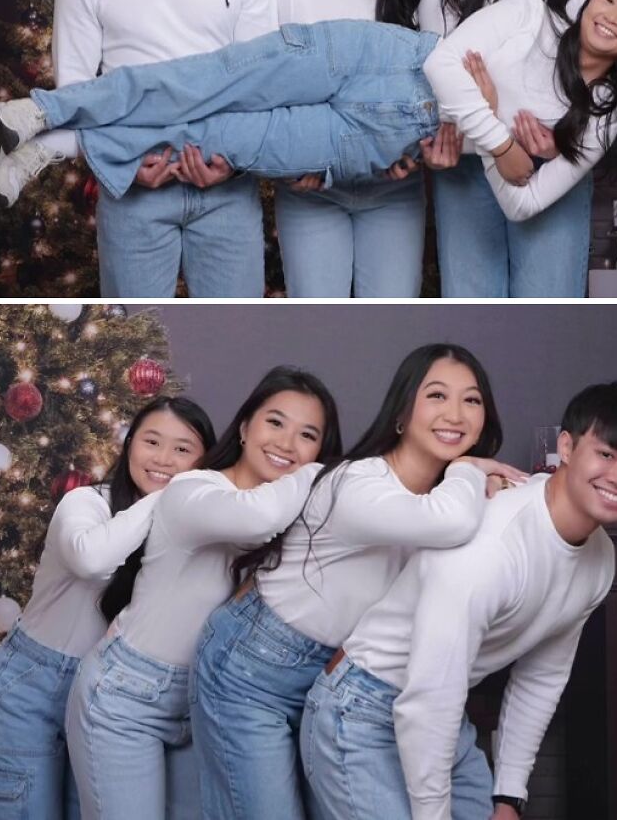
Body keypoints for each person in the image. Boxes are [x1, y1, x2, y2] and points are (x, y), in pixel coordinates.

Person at [0, 0, 617, 259]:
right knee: (193, 85)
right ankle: (36, 114)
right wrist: (504, 141)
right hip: (368, 54)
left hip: (381, 135)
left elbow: (523, 204)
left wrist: (498, 152)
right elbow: (446, 66)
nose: (611, 15)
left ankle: (52, 150)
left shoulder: (602, 121)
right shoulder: (531, 15)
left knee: (215, 135)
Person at [301, 381, 617, 820]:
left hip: (441, 713)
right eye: (607, 454)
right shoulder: (492, 546)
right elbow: (428, 701)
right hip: (360, 707)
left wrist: (508, 797)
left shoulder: (599, 557)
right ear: (567, 448)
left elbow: (542, 677)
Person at [190, 343, 526, 820]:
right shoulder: (359, 483)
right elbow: (445, 522)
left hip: (348, 681)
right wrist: (470, 470)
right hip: (251, 672)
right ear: (401, 413)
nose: (455, 413)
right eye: (436, 395)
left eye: (471, 400)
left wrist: (479, 483)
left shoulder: (457, 495)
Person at [2, 0, 278, 297]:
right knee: (138, 334)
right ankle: (29, 148)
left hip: (226, 190)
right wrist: (125, 168)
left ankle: (34, 146)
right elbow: (78, 93)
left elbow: (262, 86)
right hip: (134, 191)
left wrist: (229, 164)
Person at [64, 367, 341, 820]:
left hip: (205, 701)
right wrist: (323, 470)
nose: (287, 444)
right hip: (125, 696)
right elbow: (255, 518)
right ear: (246, 427)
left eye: (307, 435)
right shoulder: (194, 489)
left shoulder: (294, 509)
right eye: (275, 422)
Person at [0, 396, 214, 820]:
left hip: (109, 700)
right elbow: (90, 558)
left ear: (205, 461)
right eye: (151, 441)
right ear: (129, 444)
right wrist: (170, 495)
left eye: (183, 449)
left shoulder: (190, 535)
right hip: (32, 687)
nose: (164, 459)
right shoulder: (86, 504)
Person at [418, 0, 606, 297]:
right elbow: (433, 72)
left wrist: (552, 143)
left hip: (551, 168)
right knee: (470, 303)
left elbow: (599, 81)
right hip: (466, 168)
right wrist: (489, 137)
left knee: (550, 302)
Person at [274, 0, 425, 298]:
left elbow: (433, 92)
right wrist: (290, 162)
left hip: (394, 189)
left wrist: (414, 154)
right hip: (311, 190)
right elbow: (268, 90)